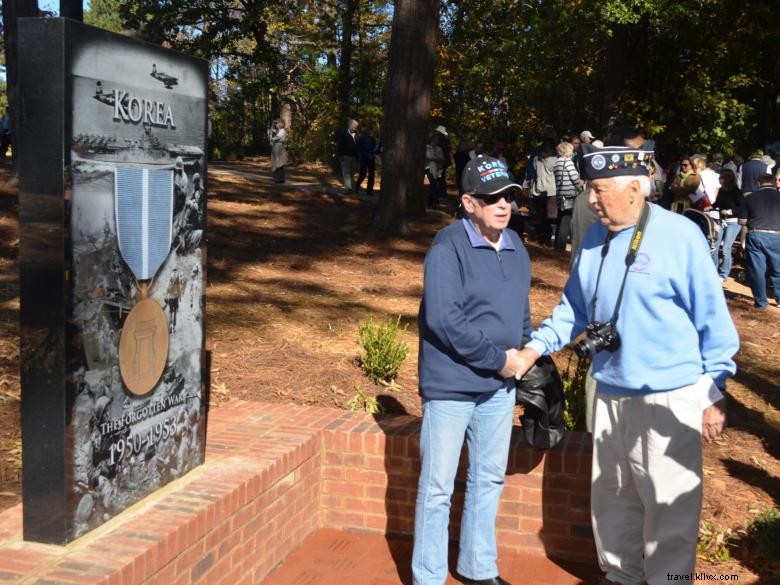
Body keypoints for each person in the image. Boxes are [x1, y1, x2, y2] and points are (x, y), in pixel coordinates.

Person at [512, 144, 739, 585]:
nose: (591, 200)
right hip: (610, 390)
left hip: (669, 396)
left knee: (669, 509)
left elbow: (714, 320)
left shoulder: (680, 236)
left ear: (635, 187)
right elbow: (573, 308)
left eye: (598, 191)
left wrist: (715, 391)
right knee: (614, 502)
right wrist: (534, 348)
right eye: (588, 191)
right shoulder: (596, 236)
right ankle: (620, 577)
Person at [413, 156, 531, 585]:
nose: (503, 205)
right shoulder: (447, 246)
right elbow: (445, 320)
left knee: (488, 481)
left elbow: (521, 312)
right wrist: (500, 361)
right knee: (438, 488)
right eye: (491, 197)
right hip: (452, 388)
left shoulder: (517, 247)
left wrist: (522, 354)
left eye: (509, 197)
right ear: (468, 202)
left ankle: (478, 568)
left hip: (499, 389)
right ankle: (428, 576)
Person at [738, 173, 780, 309]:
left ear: (758, 183)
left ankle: (761, 303)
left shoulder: (749, 198)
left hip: (756, 234)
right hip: (777, 235)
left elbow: (742, 221)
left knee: (757, 270)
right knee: (778, 269)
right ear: (774, 182)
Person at [712, 169, 743, 282]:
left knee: (726, 248)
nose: (720, 179)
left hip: (733, 222)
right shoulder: (722, 191)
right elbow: (717, 203)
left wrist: (730, 211)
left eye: (722, 177)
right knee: (714, 246)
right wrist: (710, 207)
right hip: (722, 221)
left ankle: (723, 274)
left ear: (727, 179)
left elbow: (741, 208)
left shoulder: (736, 192)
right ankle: (713, 270)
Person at [552, 140, 582, 250]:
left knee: (561, 220)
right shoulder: (568, 162)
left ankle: (557, 246)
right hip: (569, 195)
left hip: (560, 194)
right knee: (566, 221)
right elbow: (575, 179)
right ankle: (561, 247)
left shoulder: (557, 162)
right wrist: (581, 185)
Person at [335, 119, 359, 193]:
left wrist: (357, 157)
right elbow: (339, 145)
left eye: (356, 127)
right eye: (354, 126)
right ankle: (348, 188)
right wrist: (340, 155)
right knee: (346, 173)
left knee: (352, 173)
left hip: (354, 157)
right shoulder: (343, 133)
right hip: (345, 156)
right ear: (350, 125)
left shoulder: (356, 135)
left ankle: (352, 188)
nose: (355, 128)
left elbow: (358, 146)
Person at [425, 133, 446, 209]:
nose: (437, 141)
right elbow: (426, 157)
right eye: (436, 139)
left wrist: (434, 158)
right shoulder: (427, 147)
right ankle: (430, 203)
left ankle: (434, 202)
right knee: (429, 185)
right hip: (428, 169)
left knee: (434, 186)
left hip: (437, 170)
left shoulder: (439, 149)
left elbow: (442, 159)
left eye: (438, 139)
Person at [356, 126, 378, 196]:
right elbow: (359, 149)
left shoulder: (372, 139)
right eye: (367, 131)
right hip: (364, 159)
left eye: (369, 131)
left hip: (371, 159)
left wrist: (372, 154)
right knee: (362, 174)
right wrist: (365, 155)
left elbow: (374, 148)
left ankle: (369, 191)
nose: (368, 132)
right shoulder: (360, 139)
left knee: (371, 175)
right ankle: (356, 187)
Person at [270, 119, 289, 184]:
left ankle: (280, 179)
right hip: (276, 147)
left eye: (277, 123)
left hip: (279, 147)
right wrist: (273, 124)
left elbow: (278, 137)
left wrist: (272, 139)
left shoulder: (282, 131)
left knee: (279, 164)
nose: (276, 125)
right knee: (276, 164)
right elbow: (272, 130)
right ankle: (278, 179)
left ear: (280, 124)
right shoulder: (279, 130)